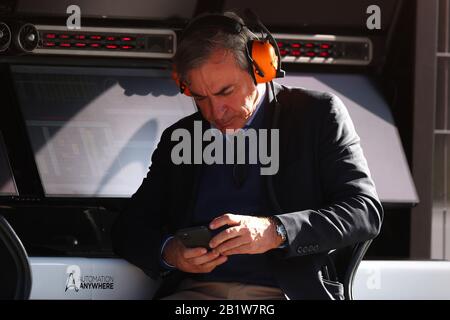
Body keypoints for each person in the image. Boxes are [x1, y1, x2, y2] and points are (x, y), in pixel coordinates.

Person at [111, 11, 383, 300]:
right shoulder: (180, 137)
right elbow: (128, 227)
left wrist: (276, 231)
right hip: (194, 294)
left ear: (261, 69)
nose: (215, 112)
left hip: (285, 294)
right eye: (200, 97)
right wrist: (169, 251)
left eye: (226, 91)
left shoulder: (317, 115)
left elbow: (364, 211)